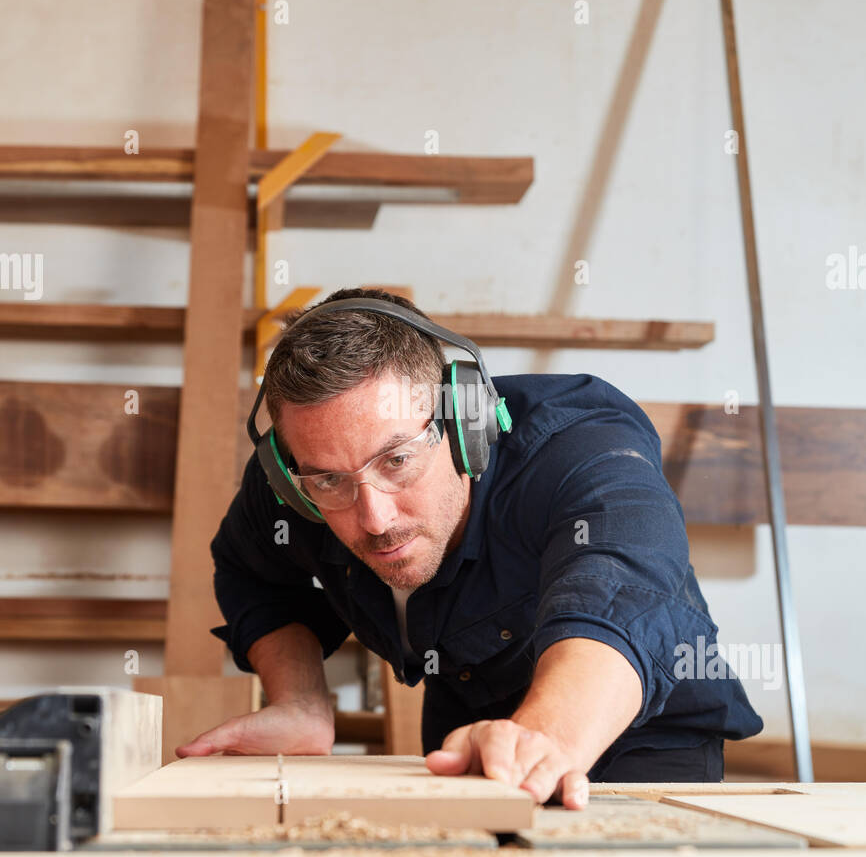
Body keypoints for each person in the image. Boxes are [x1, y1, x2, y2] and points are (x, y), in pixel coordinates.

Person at [179, 287, 763, 809]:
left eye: (398, 460)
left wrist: (543, 738)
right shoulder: (301, 478)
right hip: (472, 733)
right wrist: (301, 700)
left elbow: (622, 585)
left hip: (637, 737)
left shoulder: (580, 446)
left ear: (465, 423)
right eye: (329, 480)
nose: (375, 518)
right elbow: (252, 574)